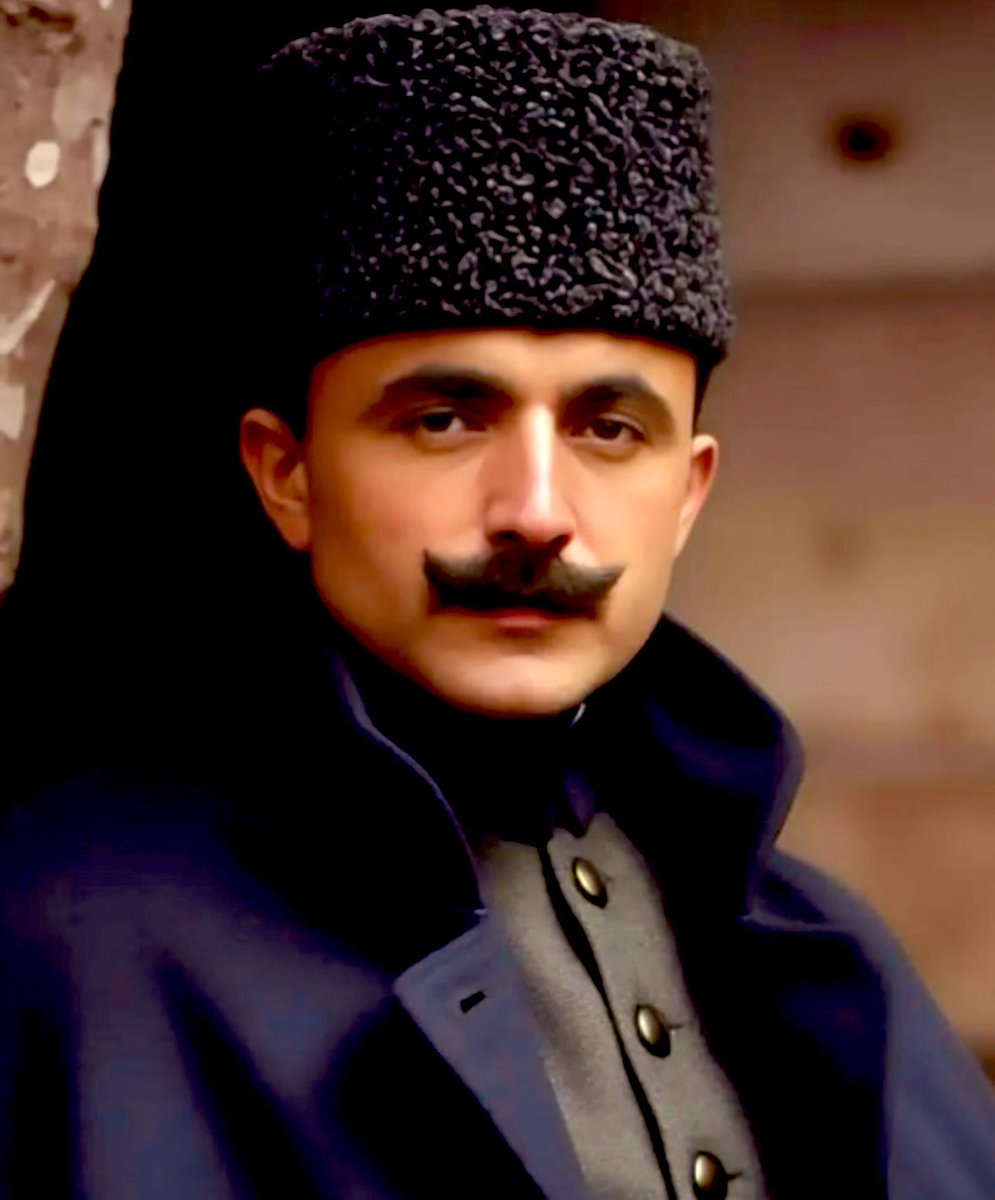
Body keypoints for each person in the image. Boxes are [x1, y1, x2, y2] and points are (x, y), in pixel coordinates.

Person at [1, 7, 993, 1199]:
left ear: (686, 494)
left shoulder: (833, 956)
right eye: (443, 419)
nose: (534, 511)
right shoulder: (59, 947)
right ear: (287, 474)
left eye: (607, 429)